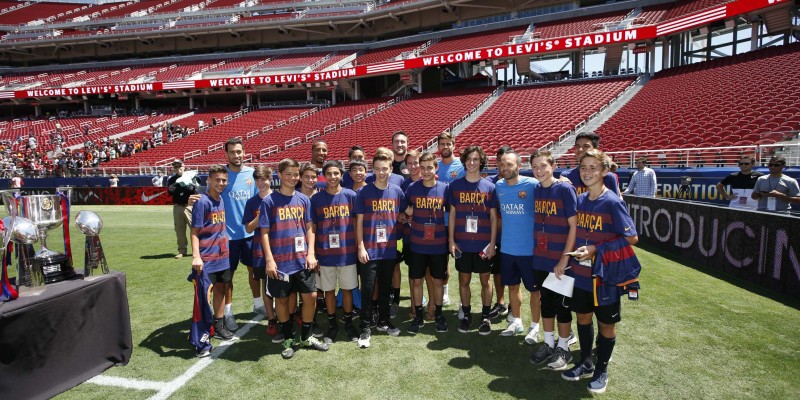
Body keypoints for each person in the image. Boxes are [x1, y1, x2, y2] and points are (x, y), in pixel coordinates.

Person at [562, 149, 640, 394]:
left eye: (593, 168)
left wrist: (596, 248)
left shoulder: (613, 201)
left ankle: (601, 368)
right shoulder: (581, 200)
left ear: (605, 171)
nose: (587, 172)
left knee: (606, 323)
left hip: (605, 276)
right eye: (583, 167)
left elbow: (632, 237)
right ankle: (585, 361)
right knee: (583, 318)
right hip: (581, 275)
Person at [259, 158, 328, 359]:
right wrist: (270, 260)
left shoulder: (304, 200)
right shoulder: (269, 201)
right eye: (288, 174)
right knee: (281, 300)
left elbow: (309, 228)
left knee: (311, 296)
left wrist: (311, 253)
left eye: (295, 174)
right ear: (279, 175)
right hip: (280, 262)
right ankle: (288, 337)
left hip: (302, 260)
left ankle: (306, 335)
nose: (292, 177)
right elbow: (264, 232)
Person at [529, 150, 578, 369]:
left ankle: (564, 348)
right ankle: (548, 343)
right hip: (540, 257)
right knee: (545, 303)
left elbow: (574, 226)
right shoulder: (537, 189)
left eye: (543, 166)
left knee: (562, 307)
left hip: (559, 260)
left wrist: (564, 259)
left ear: (553, 165)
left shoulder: (565, 188)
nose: (539, 170)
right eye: (535, 167)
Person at [354, 151, 406, 348]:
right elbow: (358, 222)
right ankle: (365, 327)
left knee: (386, 288)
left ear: (391, 169)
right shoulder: (364, 192)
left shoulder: (397, 191)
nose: (381, 172)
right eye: (377, 169)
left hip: (389, 250)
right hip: (369, 250)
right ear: (372, 170)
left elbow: (406, 210)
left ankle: (383, 321)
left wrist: (408, 215)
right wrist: (360, 247)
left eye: (385, 169)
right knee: (367, 289)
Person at [447, 145, 497, 335]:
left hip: (483, 243)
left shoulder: (489, 187)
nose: (472, 162)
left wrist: (492, 244)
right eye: (469, 159)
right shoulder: (455, 186)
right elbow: (452, 214)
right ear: (464, 161)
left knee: (486, 280)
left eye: (476, 159)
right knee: (464, 280)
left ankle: (485, 316)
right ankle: (467, 314)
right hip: (463, 242)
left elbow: (493, 217)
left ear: (481, 162)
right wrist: (451, 240)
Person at [310, 160, 360, 343]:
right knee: (329, 291)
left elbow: (356, 224)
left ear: (341, 174)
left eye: (336, 173)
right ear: (324, 175)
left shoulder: (351, 195)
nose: (332, 177)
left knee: (347, 289)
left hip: (347, 252)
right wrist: (313, 253)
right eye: (329, 174)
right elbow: (313, 227)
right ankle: (332, 325)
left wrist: (357, 246)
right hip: (324, 253)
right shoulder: (315, 199)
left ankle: (348, 323)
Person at [404, 152, 449, 334]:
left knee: (437, 281)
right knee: (416, 281)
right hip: (417, 244)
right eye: (422, 167)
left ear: (436, 168)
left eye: (429, 167)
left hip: (438, 245)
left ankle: (438, 315)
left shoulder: (445, 188)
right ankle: (418, 317)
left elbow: (452, 212)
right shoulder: (413, 188)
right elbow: (405, 207)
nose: (425, 171)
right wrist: (408, 214)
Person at [495, 150, 539, 338]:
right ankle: (517, 322)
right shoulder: (498, 186)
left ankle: (535, 327)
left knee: (535, 291)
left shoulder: (533, 185)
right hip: (507, 249)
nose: (505, 168)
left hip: (529, 250)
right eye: (502, 165)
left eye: (509, 165)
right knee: (512, 287)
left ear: (519, 166)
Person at [190, 165, 234, 341]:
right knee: (204, 295)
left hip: (222, 256)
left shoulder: (221, 199)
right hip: (207, 257)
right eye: (217, 180)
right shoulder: (202, 202)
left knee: (221, 290)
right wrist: (196, 256)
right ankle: (203, 328)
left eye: (224, 180)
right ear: (208, 180)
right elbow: (194, 231)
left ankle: (219, 324)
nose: (221, 183)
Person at [219, 138, 258, 331]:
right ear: (226, 154)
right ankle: (228, 312)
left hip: (250, 233)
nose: (237, 155)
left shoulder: (252, 174)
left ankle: (258, 304)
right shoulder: (221, 176)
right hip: (228, 236)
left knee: (254, 270)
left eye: (239, 152)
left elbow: (260, 200)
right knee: (228, 276)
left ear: (244, 152)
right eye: (233, 152)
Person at [243, 165, 277, 336]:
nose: (260, 182)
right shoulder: (252, 202)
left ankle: (286, 314)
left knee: (284, 283)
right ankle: (271, 318)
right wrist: (260, 215)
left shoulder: (279, 197)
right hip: (260, 249)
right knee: (266, 284)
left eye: (263, 179)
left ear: (270, 179)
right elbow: (248, 228)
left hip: (281, 247)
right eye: (257, 179)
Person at [168, 159, 198, 259]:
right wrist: (183, 186)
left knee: (195, 228)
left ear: (183, 166)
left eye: (179, 166)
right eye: (175, 167)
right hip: (177, 206)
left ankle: (198, 250)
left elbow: (192, 189)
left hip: (190, 206)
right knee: (179, 230)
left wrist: (178, 186)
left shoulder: (191, 176)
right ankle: (182, 251)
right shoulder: (171, 179)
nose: (178, 169)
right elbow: (170, 191)